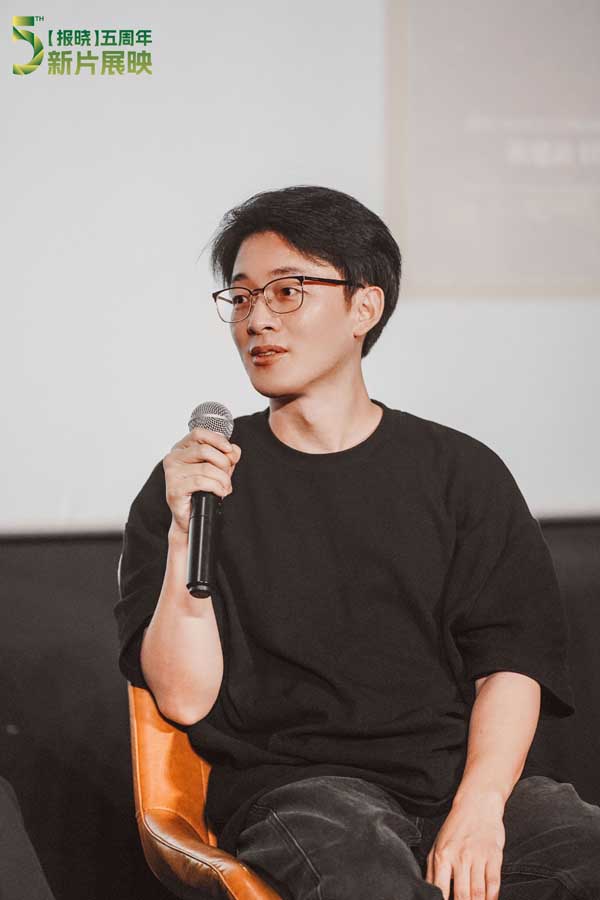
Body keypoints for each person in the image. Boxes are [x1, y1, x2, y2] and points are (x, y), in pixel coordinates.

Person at [114, 185, 600, 900]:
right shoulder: (198, 481)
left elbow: (510, 665)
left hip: (452, 782)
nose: (257, 319)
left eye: (287, 292)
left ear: (364, 307)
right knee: (366, 876)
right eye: (241, 297)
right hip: (302, 794)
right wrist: (187, 530)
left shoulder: (459, 473)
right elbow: (184, 701)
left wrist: (479, 806)